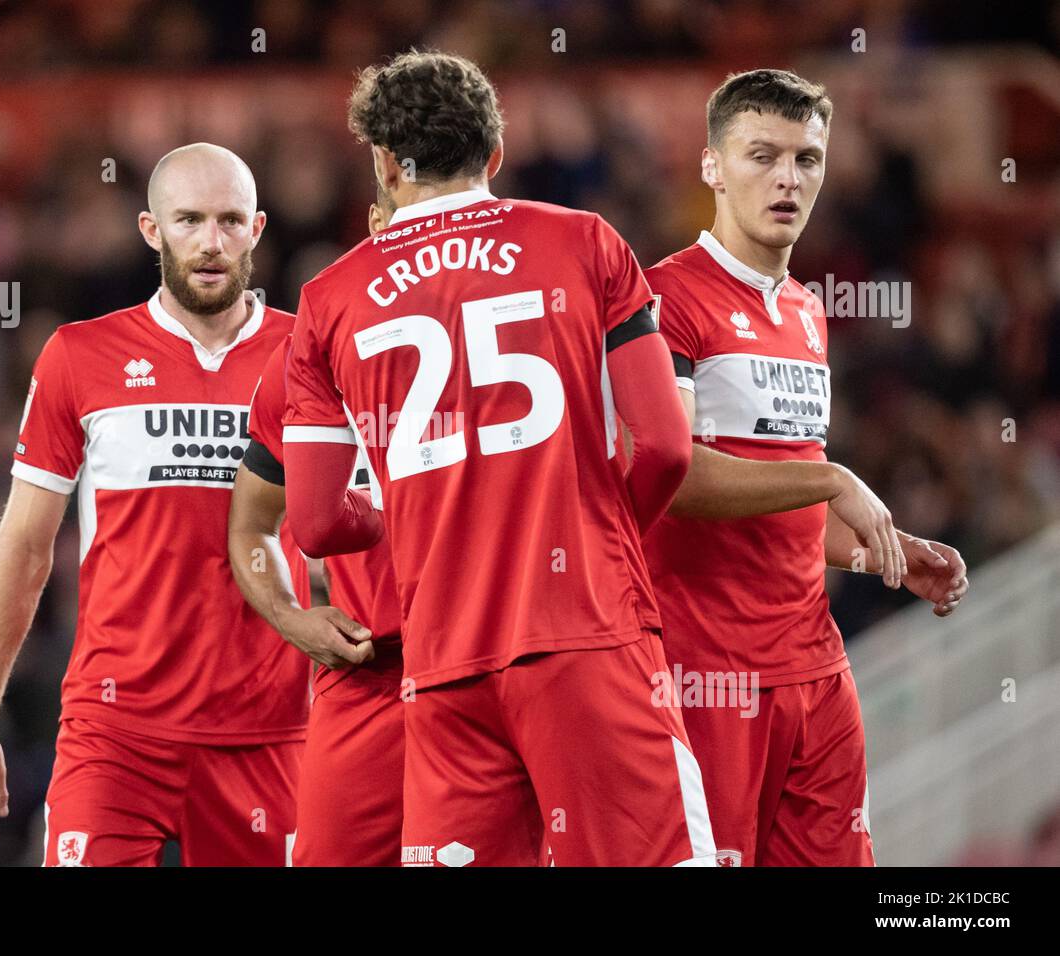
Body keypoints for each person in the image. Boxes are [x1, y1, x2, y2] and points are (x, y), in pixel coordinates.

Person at [281, 52, 714, 866]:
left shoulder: (328, 298)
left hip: (443, 666)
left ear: (383, 161)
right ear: (496, 155)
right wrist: (601, 536)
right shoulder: (584, 242)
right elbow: (663, 447)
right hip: (585, 633)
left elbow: (312, 522)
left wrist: (415, 519)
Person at [0, 143, 308, 866]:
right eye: (189, 220)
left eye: (231, 221)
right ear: (150, 230)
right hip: (116, 729)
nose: (211, 242)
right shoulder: (80, 356)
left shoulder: (312, 356)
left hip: (270, 730)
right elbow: (23, 546)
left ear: (258, 229)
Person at [644, 69, 970, 866]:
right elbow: (674, 477)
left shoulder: (806, 311)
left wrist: (877, 548)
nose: (788, 178)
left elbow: (780, 493)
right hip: (706, 671)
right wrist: (835, 480)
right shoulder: (663, 300)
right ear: (712, 167)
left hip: (815, 666)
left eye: (807, 159)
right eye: (762, 155)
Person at [226, 201, 404, 865]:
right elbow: (251, 523)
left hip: (506, 664)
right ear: (377, 223)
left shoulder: (513, 337)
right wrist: (289, 615)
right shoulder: (307, 360)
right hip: (369, 676)